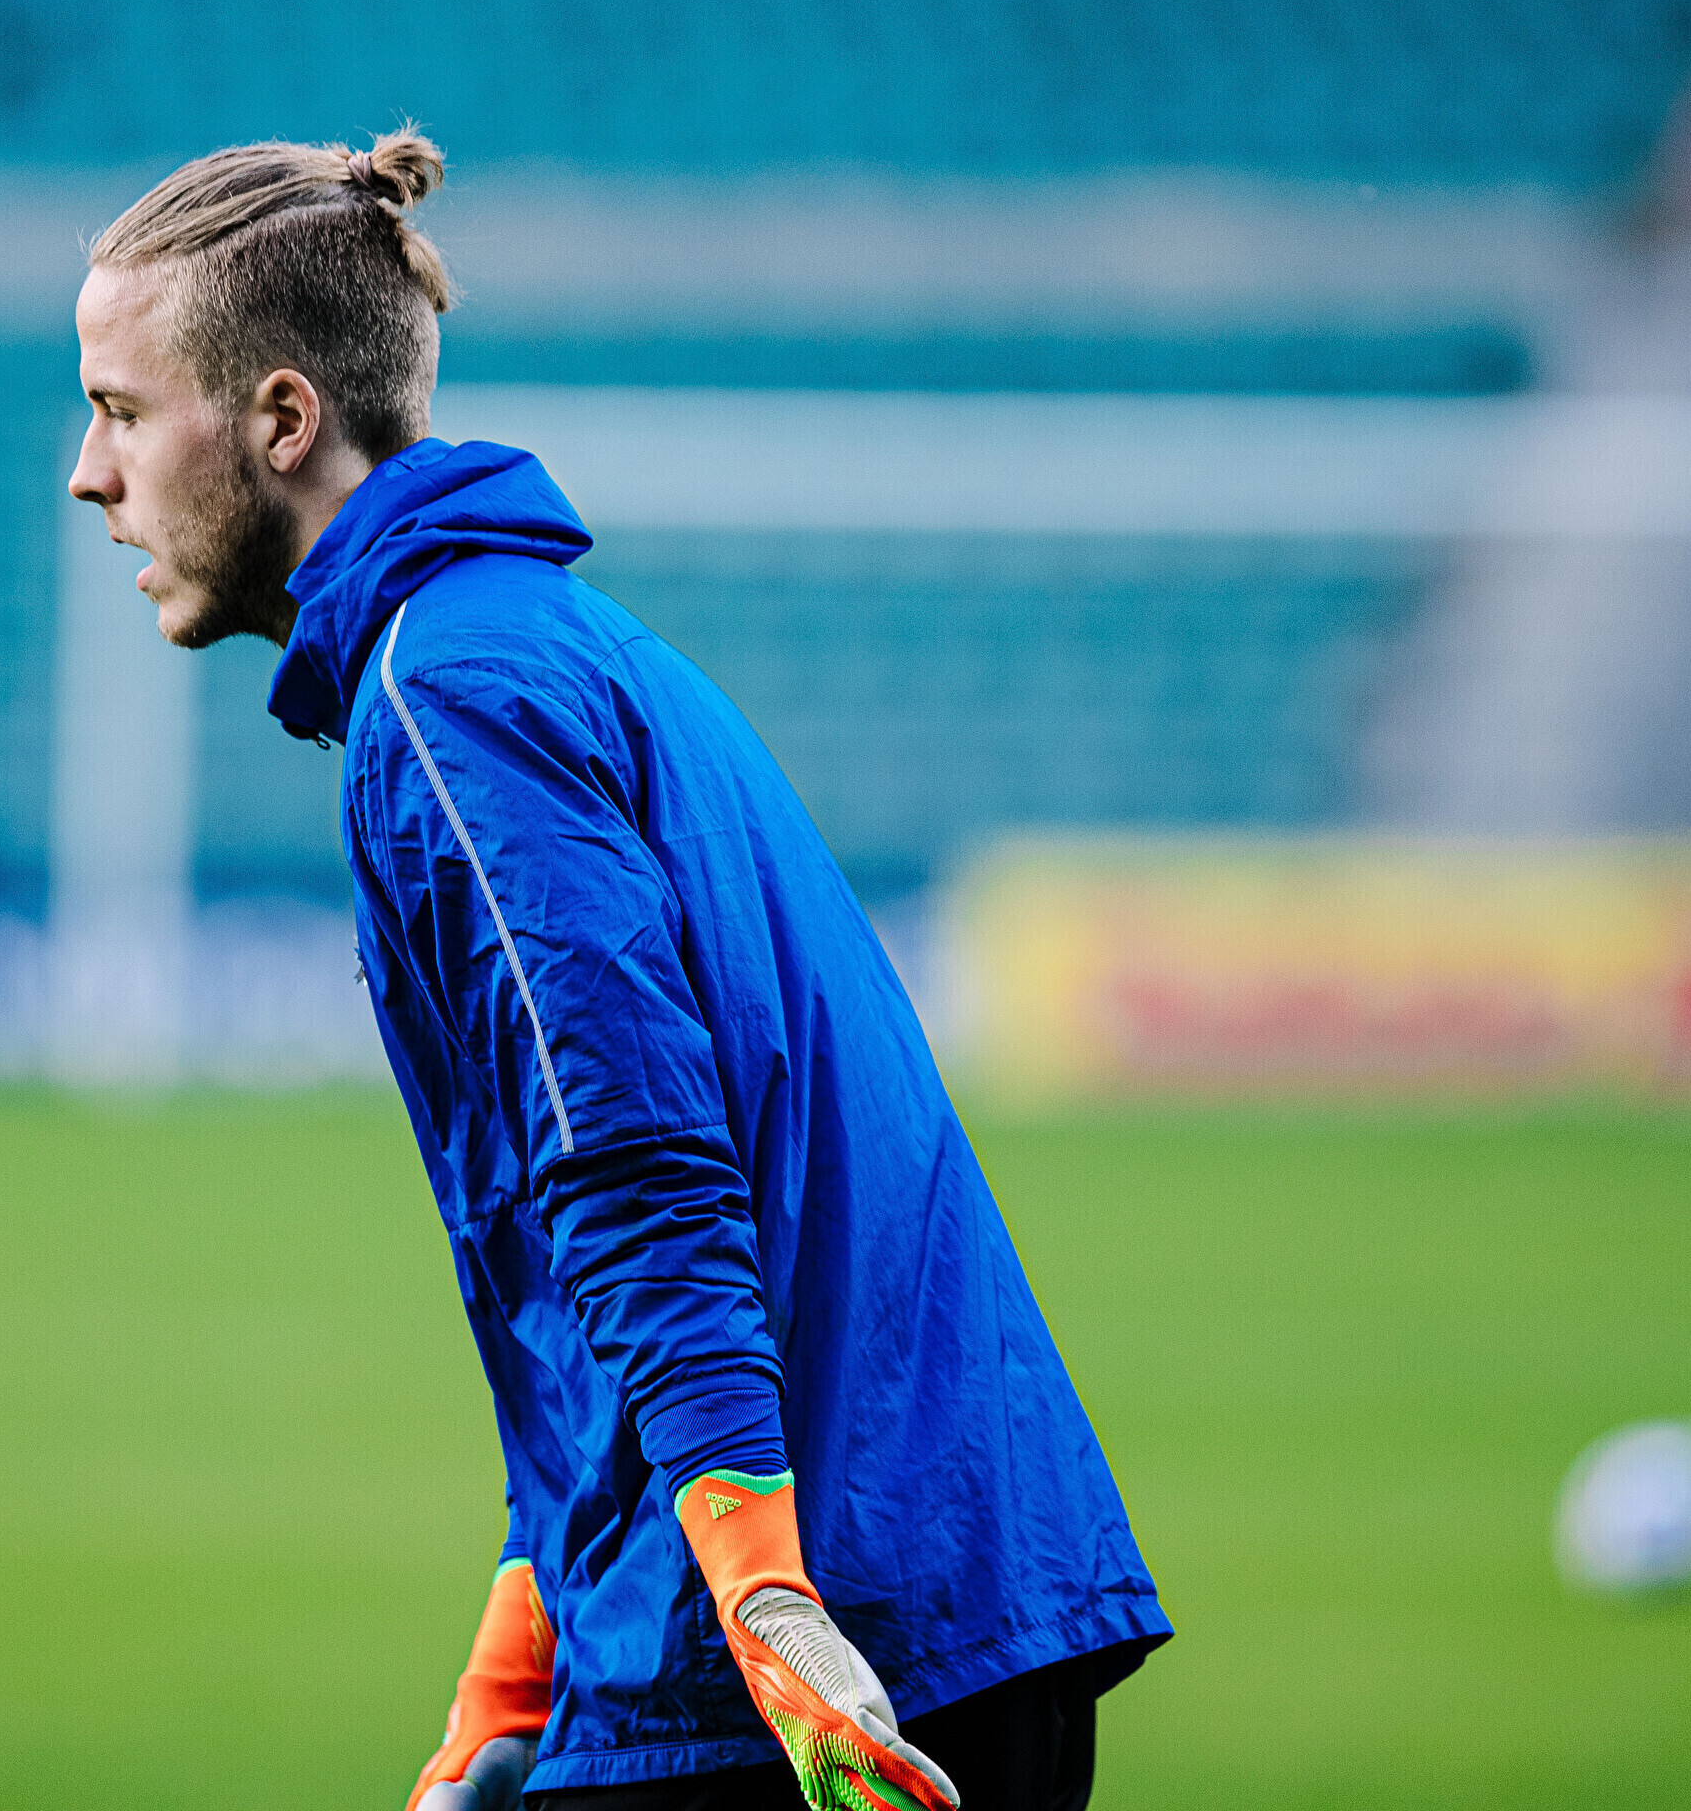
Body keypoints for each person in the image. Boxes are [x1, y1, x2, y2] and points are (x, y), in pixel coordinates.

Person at [66, 129, 1169, 1811]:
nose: (92, 474)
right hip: (908, 1597)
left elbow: (632, 1160)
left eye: (122, 411)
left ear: (282, 420)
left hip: (802, 1658)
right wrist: (520, 1663)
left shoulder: (453, 692)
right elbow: (578, 1262)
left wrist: (766, 1601)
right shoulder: (524, 645)